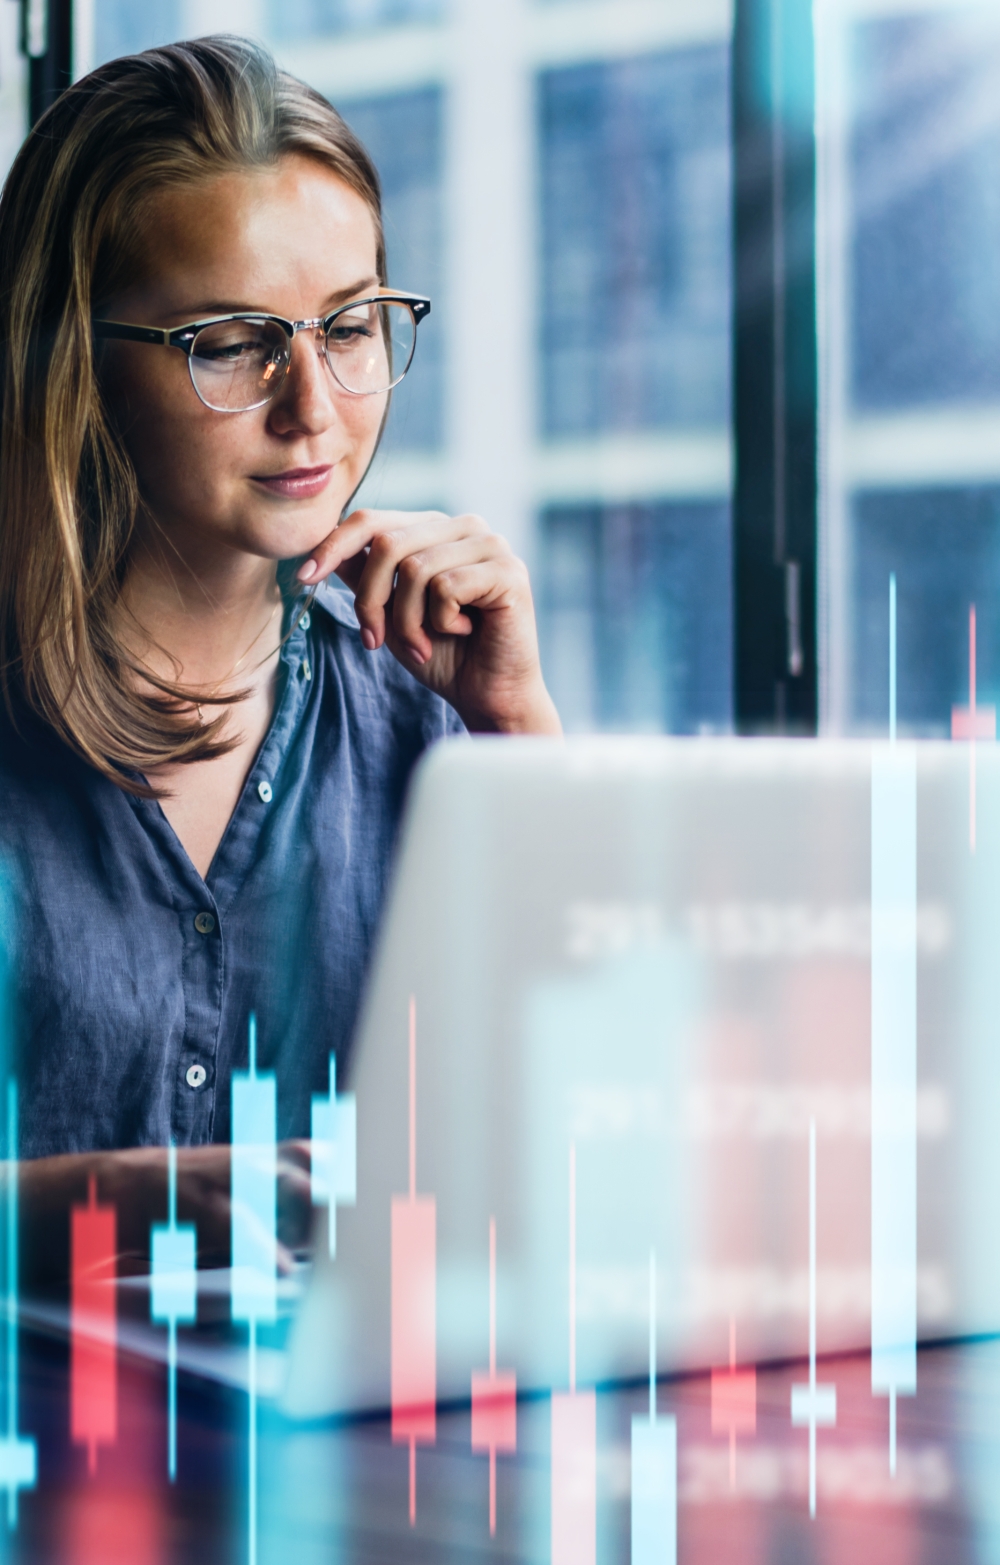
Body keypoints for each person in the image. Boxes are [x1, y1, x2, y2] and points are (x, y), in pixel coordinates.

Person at [0, 36, 560, 1276]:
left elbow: (608, 1148)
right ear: (71, 361)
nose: (314, 405)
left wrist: (519, 732)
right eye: (231, 341)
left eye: (351, 326)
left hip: (349, 1456)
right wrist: (78, 1207)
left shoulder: (426, 715)